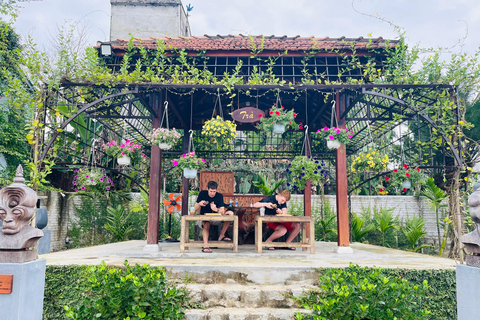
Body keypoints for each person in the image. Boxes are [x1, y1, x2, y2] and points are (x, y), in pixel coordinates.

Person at [194, 180, 234, 253]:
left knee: (230, 214)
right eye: (211, 191)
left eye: (214, 191)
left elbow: (222, 211)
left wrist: (216, 209)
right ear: (208, 189)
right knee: (206, 224)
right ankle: (205, 245)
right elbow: (195, 209)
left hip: (216, 218)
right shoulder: (202, 194)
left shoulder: (219, 196)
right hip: (204, 217)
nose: (212, 193)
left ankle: (222, 235)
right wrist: (199, 204)